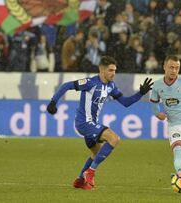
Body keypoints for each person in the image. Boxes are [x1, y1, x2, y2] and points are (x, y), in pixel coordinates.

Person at [46, 56, 153, 190]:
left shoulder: (111, 86)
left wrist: (140, 93)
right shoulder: (90, 82)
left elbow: (125, 102)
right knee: (114, 138)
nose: (113, 73)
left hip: (92, 124)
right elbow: (66, 85)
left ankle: (80, 180)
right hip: (84, 123)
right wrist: (53, 101)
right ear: (102, 70)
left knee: (96, 153)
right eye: (110, 70)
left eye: (114, 70)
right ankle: (90, 172)